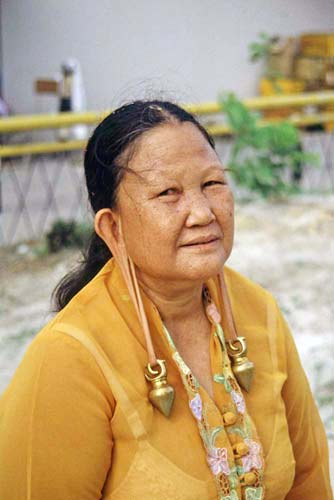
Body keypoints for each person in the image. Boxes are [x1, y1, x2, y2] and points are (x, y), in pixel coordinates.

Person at [0, 100, 332, 500]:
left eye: (212, 184)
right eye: (167, 193)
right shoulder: (70, 357)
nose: (202, 213)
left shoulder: (258, 311)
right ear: (113, 227)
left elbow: (309, 479)